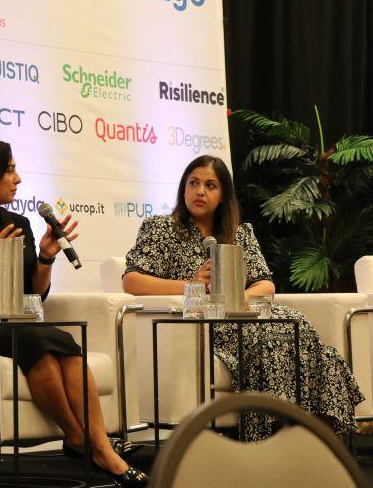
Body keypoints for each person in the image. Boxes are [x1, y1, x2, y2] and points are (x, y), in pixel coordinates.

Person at [0, 139, 147, 486]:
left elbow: (36, 294)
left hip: (20, 320)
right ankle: (91, 445)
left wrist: (45, 257)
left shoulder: (18, 222)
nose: (18, 179)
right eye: (10, 170)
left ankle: (89, 443)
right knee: (37, 342)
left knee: (62, 343)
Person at [123, 154, 364, 440]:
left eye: (210, 185)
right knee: (269, 343)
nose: (200, 191)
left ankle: (314, 432)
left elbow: (265, 285)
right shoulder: (162, 229)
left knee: (296, 326)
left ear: (223, 195)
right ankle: (277, 435)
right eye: (193, 183)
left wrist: (238, 299)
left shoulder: (239, 234)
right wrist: (190, 284)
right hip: (203, 327)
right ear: (183, 189)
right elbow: (132, 280)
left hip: (242, 315)